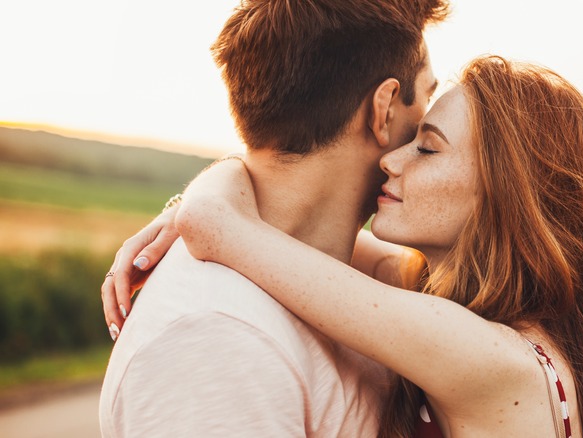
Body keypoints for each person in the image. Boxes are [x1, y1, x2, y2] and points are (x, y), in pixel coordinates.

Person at [108, 58, 583, 436]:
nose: (392, 160)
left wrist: (190, 208)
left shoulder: (493, 357)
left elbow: (221, 227)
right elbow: (294, 236)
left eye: (427, 148)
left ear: (507, 192)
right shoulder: (451, 306)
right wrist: (204, 198)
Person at [98, 0, 447, 436]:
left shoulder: (356, 277)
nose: (429, 121)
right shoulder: (216, 340)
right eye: (428, 96)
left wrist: (204, 202)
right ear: (385, 107)